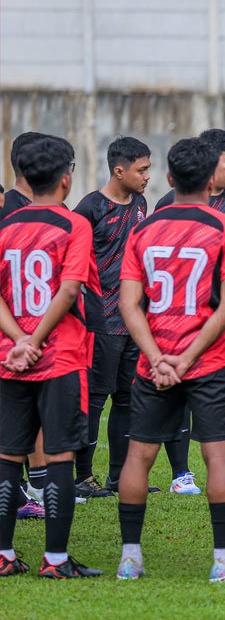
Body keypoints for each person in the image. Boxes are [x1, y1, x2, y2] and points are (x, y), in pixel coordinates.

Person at [115, 137, 225, 582]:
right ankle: (222, 563)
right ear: (211, 177)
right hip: (207, 362)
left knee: (138, 457)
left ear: (170, 178)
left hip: (153, 364)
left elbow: (128, 304)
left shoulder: (144, 228)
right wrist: (186, 358)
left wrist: (160, 357)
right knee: (218, 458)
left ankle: (130, 559)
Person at [0, 135, 102, 578]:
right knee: (59, 456)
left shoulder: (6, 226)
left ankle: (3, 556)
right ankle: (56, 561)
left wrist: (19, 340)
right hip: (59, 357)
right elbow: (69, 289)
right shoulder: (72, 225)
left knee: (6, 457)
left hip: (9, 357)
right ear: (66, 179)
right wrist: (37, 340)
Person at [156, 128, 225, 495]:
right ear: (209, 164)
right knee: (179, 394)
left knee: (222, 393)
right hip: (183, 315)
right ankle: (181, 474)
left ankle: (221, 471)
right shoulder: (170, 202)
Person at [73, 137, 156, 498]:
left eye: (148, 169)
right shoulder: (89, 208)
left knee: (126, 396)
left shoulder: (140, 204)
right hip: (100, 318)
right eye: (142, 170)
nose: (147, 176)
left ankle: (119, 475)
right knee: (95, 397)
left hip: (133, 316)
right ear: (118, 170)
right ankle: (83, 475)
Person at [4, 131, 52, 519]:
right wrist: (27, 337)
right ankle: (30, 486)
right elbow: (68, 290)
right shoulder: (15, 211)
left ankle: (29, 485)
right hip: (27, 337)